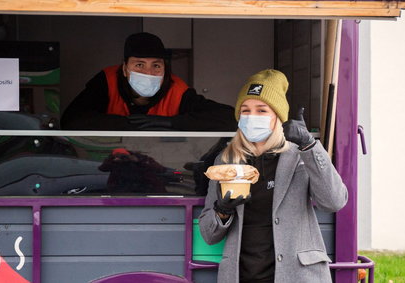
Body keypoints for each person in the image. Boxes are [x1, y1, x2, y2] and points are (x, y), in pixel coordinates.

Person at [199, 69, 348, 283]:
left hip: (297, 276)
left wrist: (310, 145)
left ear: (278, 117)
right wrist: (222, 211)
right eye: (245, 110)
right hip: (243, 275)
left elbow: (334, 201)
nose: (252, 117)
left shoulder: (299, 155)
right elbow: (208, 234)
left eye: (262, 110)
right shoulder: (226, 160)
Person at [61, 32, 237, 131]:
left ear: (165, 69)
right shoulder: (107, 81)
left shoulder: (176, 90)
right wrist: (131, 124)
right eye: (139, 64)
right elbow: (72, 120)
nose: (148, 72)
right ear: (124, 69)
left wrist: (171, 122)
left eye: (156, 65)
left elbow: (229, 118)